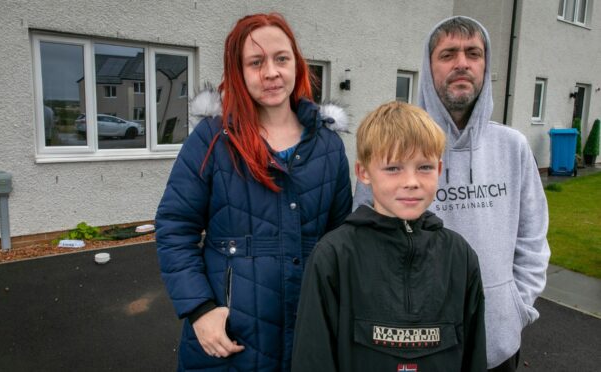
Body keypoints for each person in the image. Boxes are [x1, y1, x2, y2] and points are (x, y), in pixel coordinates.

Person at [155, 12, 352, 371]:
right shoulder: (213, 139)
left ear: (297, 64)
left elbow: (340, 241)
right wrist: (199, 309)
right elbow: (174, 228)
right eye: (256, 62)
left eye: (281, 59)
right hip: (230, 338)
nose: (271, 72)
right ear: (238, 72)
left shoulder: (328, 146)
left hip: (308, 331)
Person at [354, 16, 550, 371]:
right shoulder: (392, 148)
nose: (462, 63)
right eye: (448, 54)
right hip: (414, 345)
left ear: (485, 64)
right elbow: (364, 243)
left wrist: (516, 308)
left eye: (473, 53)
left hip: (497, 343)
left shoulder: (513, 147)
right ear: (428, 68)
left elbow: (533, 240)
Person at [292, 101, 486, 371]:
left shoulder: (460, 256)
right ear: (364, 173)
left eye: (424, 167)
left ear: (439, 171)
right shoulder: (334, 256)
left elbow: (474, 355)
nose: (411, 181)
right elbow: (313, 360)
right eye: (394, 168)